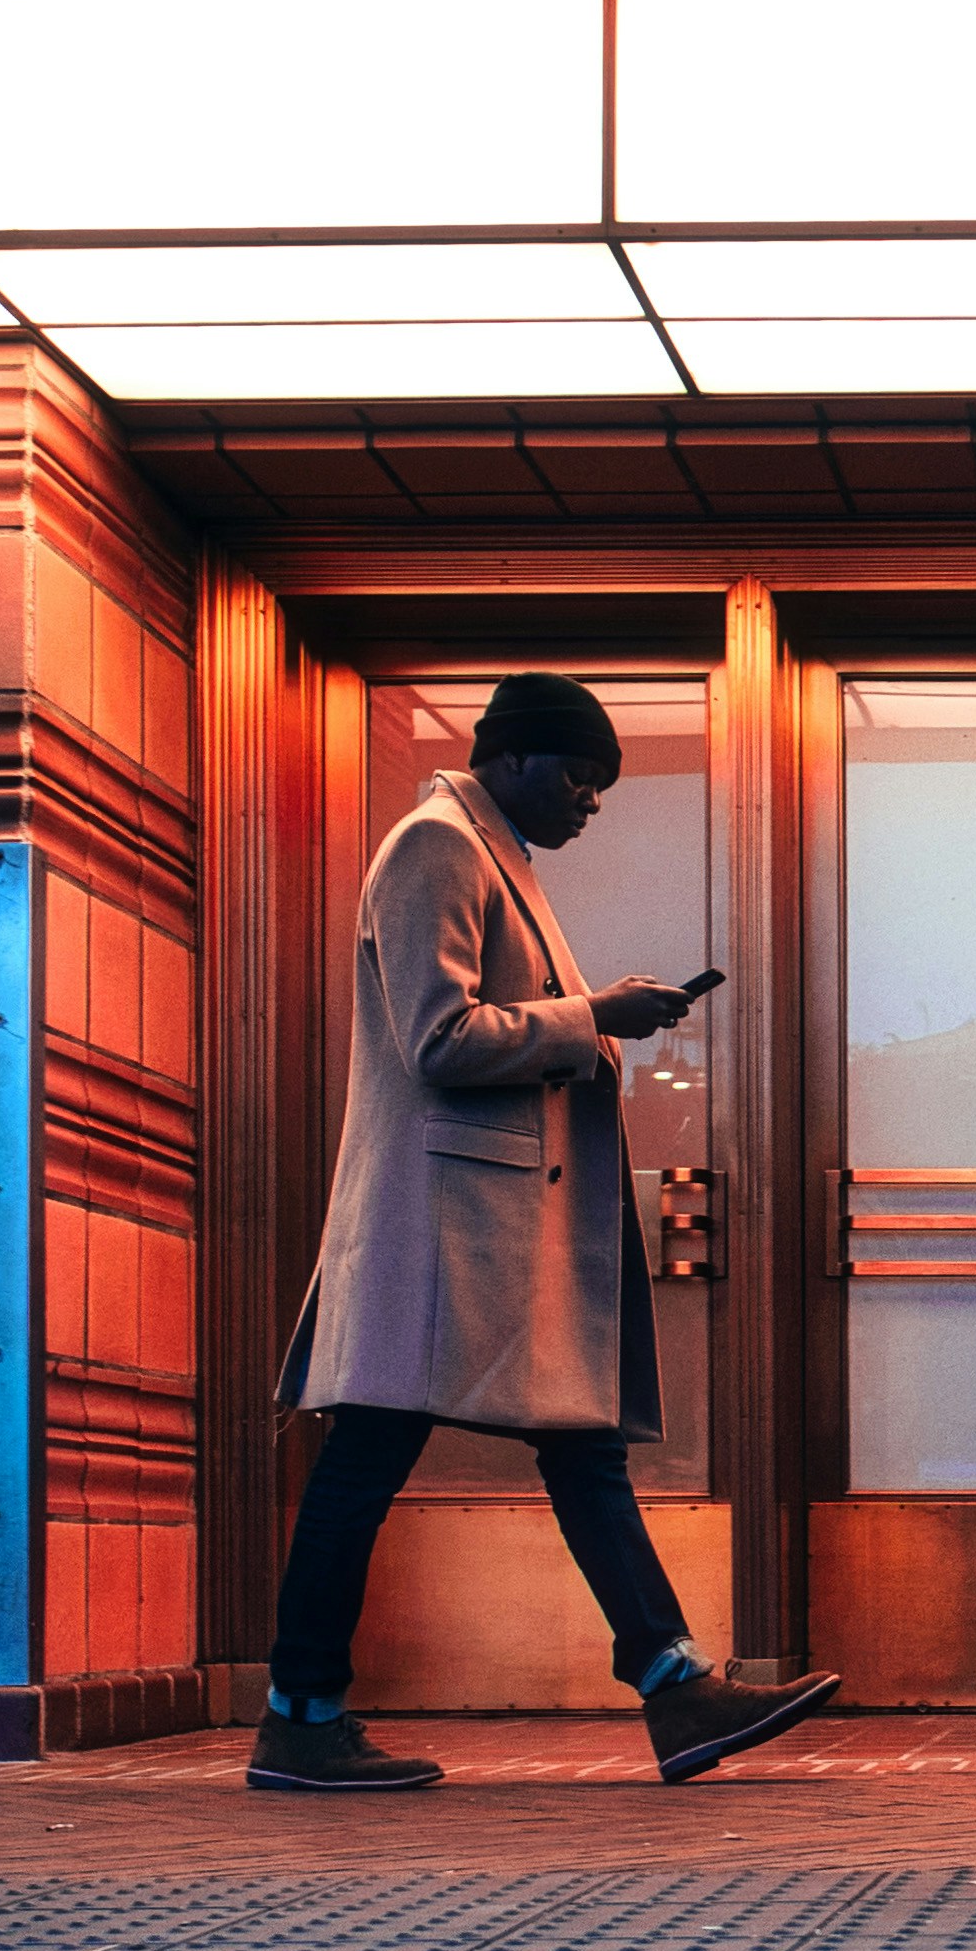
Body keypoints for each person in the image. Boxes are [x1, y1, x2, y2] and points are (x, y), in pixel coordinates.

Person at [251, 670, 839, 1797]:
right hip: (442, 1231)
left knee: (569, 1444)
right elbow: (439, 1039)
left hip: (479, 1228)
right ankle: (300, 1716)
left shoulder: (489, 854)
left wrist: (596, 1014)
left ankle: (671, 1683)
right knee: (369, 1459)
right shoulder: (437, 846)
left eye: (601, 784)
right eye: (578, 775)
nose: (591, 800)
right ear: (512, 755)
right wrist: (595, 1016)